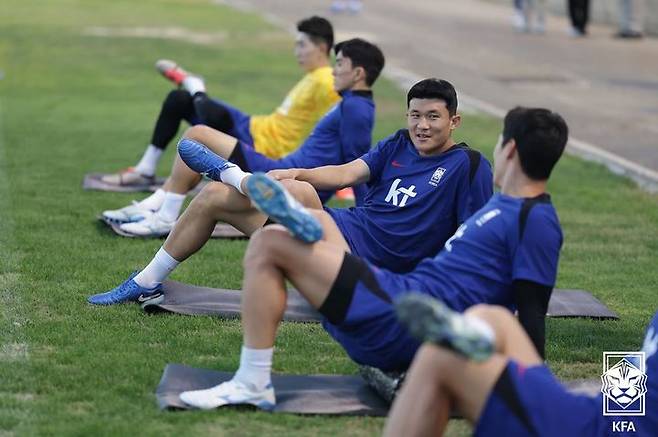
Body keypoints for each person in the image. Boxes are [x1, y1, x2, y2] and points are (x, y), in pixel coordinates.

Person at [172, 106, 567, 410]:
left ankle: (253, 381)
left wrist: (529, 401)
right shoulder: (506, 209)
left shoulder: (535, 221)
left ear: (510, 150)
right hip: (399, 295)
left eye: (500, 141)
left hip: (400, 317)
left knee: (270, 242)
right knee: (312, 222)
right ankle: (275, 205)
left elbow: (530, 316)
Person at [87, 78, 493, 306]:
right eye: (416, 115)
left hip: (371, 267)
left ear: (453, 121)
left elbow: (474, 238)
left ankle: (237, 177)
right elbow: (345, 173)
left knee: (296, 196)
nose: (422, 125)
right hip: (342, 229)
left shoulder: (468, 165)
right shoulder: (399, 142)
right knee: (211, 198)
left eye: (433, 117)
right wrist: (292, 171)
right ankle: (145, 280)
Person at [101, 38, 384, 237]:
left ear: (358, 73)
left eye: (340, 64)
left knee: (198, 134)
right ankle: (159, 208)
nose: (334, 70)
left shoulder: (357, 108)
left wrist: (364, 219)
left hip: (284, 179)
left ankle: (163, 215)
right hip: (280, 167)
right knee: (197, 134)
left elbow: (355, 167)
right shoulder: (351, 102)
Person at [101, 16, 339, 187]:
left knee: (207, 117)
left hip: (262, 147)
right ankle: (146, 168)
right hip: (256, 126)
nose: (296, 51)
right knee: (178, 100)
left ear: (321, 47)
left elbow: (341, 121)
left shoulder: (326, 80)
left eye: (302, 45)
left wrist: (339, 179)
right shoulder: (313, 77)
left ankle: (196, 87)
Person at [383, 294, 658, 436]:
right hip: (598, 414)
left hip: (593, 429)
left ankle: (465, 342)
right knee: (495, 318)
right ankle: (471, 336)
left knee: (440, 358)